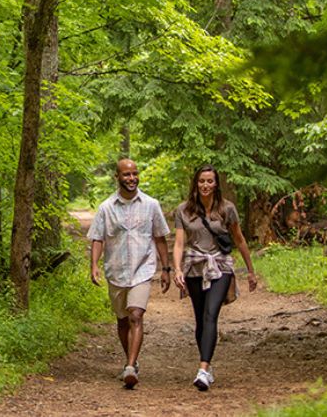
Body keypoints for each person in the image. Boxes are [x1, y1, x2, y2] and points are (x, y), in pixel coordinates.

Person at [172, 164, 257, 391]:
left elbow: (239, 240)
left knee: (211, 313)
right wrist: (177, 269)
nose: (206, 185)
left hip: (221, 266)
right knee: (200, 318)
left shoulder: (227, 209)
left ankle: (202, 368)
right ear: (195, 183)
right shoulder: (183, 210)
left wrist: (250, 270)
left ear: (216, 183)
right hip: (194, 266)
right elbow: (179, 243)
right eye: (202, 181)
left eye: (210, 181)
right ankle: (207, 367)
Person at [89, 158, 171, 389]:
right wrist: (94, 265)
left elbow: (160, 237)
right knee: (122, 320)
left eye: (135, 174)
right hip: (116, 271)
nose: (132, 178)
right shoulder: (106, 208)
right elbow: (98, 238)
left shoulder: (151, 204)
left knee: (136, 314)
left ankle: (130, 366)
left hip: (142, 269)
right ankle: (130, 361)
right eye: (127, 175)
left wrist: (165, 269)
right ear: (118, 177)